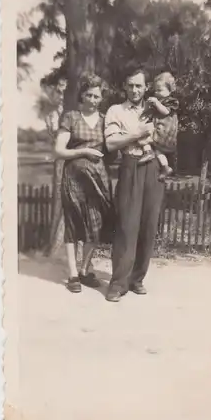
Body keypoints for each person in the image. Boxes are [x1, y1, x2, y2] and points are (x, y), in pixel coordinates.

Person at [104, 67, 165, 302]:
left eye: (139, 85)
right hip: (130, 164)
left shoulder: (155, 109)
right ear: (124, 87)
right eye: (130, 85)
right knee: (127, 225)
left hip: (154, 167)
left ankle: (137, 278)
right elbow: (111, 143)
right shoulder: (116, 110)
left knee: (148, 226)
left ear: (146, 87)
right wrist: (137, 133)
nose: (135, 89)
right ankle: (118, 283)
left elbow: (169, 133)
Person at [54, 73, 115, 293]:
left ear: (101, 98)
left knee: (96, 226)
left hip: (99, 180)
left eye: (97, 96)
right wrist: (84, 151)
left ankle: (85, 269)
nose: (92, 100)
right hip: (74, 179)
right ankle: (72, 275)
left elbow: (114, 146)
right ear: (81, 95)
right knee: (73, 224)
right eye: (88, 95)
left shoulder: (105, 119)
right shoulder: (71, 117)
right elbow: (59, 150)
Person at [138, 71, 179, 181]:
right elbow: (146, 115)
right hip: (160, 132)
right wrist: (147, 107)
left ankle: (148, 152)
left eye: (160, 90)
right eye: (155, 90)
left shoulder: (171, 101)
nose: (156, 93)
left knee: (143, 138)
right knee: (158, 151)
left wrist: (156, 103)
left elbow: (165, 112)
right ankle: (165, 167)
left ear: (170, 90)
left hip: (165, 133)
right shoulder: (158, 101)